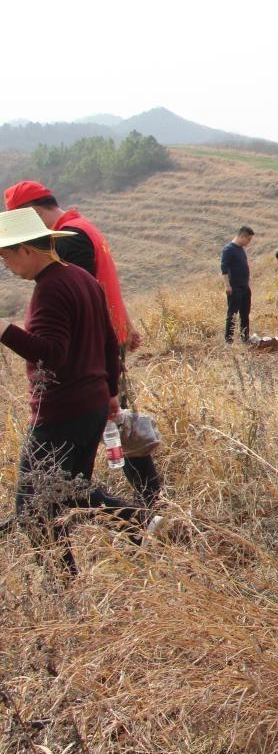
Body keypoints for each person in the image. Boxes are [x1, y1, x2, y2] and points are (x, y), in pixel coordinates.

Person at [0, 208, 152, 574]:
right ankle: (133, 521)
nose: (5, 266)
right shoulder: (82, 278)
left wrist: (5, 330)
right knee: (69, 492)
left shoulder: (50, 290)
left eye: (5, 256)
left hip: (60, 411)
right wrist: (111, 391)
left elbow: (53, 354)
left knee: (33, 508)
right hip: (92, 405)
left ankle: (63, 584)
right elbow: (106, 339)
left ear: (26, 250)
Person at [221, 226, 254, 344]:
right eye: (248, 240)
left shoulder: (241, 249)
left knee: (245, 314)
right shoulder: (228, 249)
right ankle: (228, 341)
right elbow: (224, 269)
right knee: (232, 314)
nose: (249, 243)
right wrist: (227, 285)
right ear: (242, 236)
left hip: (245, 286)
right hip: (234, 287)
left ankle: (245, 338)